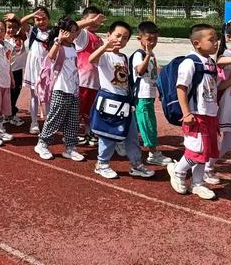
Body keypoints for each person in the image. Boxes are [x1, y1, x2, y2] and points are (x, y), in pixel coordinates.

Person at [89, 21, 155, 180]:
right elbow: (92, 59)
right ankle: (102, 164)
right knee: (108, 134)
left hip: (125, 102)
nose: (120, 40)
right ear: (108, 35)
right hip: (109, 102)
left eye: (125, 38)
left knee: (132, 134)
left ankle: (136, 164)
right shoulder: (104, 55)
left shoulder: (124, 57)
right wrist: (105, 46)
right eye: (117, 35)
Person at [167, 24, 219, 200]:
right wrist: (187, 113)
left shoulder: (211, 63)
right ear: (197, 43)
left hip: (210, 114)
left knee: (207, 150)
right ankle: (178, 171)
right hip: (196, 114)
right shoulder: (190, 62)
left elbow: (213, 89)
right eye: (211, 40)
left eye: (216, 39)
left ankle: (198, 183)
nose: (216, 43)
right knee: (197, 150)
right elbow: (181, 88)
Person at [34, 18, 85, 161]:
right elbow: (50, 57)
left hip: (73, 89)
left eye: (76, 32)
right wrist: (58, 40)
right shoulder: (58, 46)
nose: (75, 34)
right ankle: (42, 143)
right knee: (54, 118)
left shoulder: (73, 47)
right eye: (73, 32)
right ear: (64, 32)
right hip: (60, 88)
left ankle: (70, 148)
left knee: (72, 120)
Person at [204, 18, 231, 187]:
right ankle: (207, 166)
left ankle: (207, 166)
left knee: (229, 141)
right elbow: (219, 64)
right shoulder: (229, 54)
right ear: (230, 36)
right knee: (228, 141)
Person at [131, 21, 172, 166]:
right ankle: (153, 153)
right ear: (140, 39)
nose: (152, 43)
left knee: (139, 123)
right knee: (147, 124)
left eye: (154, 39)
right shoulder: (139, 54)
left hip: (149, 94)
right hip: (142, 95)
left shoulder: (151, 54)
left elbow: (154, 75)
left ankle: (122, 144)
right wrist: (147, 55)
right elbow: (140, 70)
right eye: (148, 39)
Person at [74, 7, 105, 146]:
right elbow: (74, 26)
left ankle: (89, 133)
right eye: (92, 19)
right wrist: (89, 21)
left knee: (90, 111)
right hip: (83, 81)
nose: (95, 22)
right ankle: (74, 134)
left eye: (98, 19)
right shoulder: (83, 35)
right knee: (78, 109)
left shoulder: (99, 39)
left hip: (95, 82)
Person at [20, 7, 51, 134]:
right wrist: (33, 14)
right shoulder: (32, 30)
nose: (41, 21)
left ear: (49, 19)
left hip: (47, 68)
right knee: (34, 96)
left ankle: (49, 123)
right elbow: (22, 22)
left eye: (44, 19)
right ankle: (34, 122)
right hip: (33, 67)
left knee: (48, 97)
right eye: (37, 19)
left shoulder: (53, 32)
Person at [3, 14, 26, 126]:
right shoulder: (2, 38)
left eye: (14, 27)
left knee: (16, 92)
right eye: (9, 27)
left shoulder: (21, 37)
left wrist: (16, 17)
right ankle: (6, 114)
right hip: (6, 71)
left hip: (17, 70)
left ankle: (11, 114)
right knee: (7, 93)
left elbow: (25, 25)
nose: (11, 29)